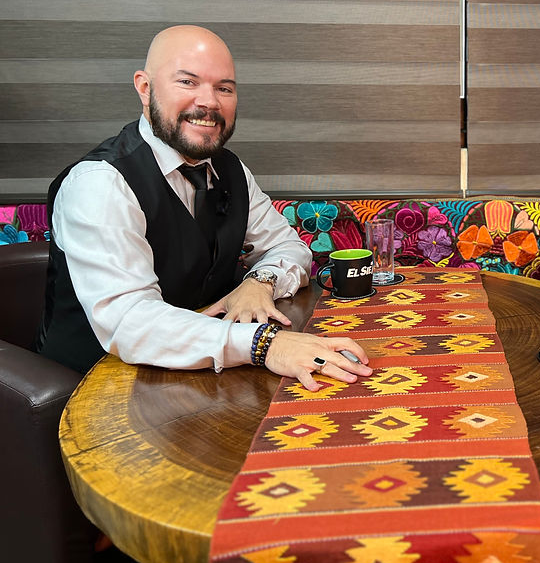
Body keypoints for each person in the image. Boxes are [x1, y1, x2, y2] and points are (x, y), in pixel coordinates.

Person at [36, 25, 370, 390]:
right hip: (100, 387)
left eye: (224, 88)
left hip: (202, 380)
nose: (209, 102)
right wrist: (265, 344)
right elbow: (130, 322)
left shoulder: (231, 169)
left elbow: (289, 247)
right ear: (145, 88)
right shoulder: (99, 183)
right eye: (188, 82)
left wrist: (260, 282)